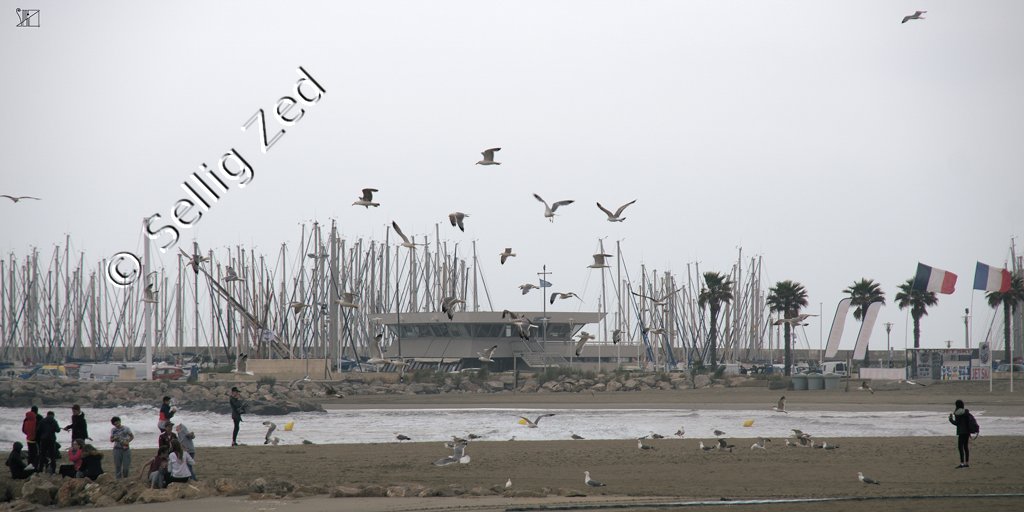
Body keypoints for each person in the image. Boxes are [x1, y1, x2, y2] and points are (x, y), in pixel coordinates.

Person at [948, 399, 972, 468]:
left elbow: (956, 423)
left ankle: (962, 464)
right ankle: (967, 463)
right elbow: (968, 422)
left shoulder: (957, 413)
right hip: (967, 432)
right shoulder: (966, 412)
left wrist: (950, 419)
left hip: (961, 432)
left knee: (960, 447)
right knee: (966, 447)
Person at [21, 406, 40, 471]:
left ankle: (29, 464)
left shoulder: (26, 419)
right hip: (36, 439)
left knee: (30, 453)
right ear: (37, 411)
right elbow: (39, 429)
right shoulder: (37, 418)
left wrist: (28, 434)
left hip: (28, 438)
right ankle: (34, 466)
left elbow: (23, 429)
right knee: (36, 454)